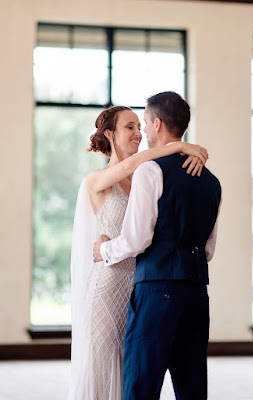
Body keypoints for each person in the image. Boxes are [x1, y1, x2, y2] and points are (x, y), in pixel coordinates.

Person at [68, 105, 209, 400]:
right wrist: (180, 146)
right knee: (105, 366)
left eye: (139, 126)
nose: (138, 133)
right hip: (108, 287)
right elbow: (130, 166)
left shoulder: (149, 175)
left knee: (135, 368)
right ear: (110, 134)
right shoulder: (97, 180)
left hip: (144, 283)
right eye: (129, 127)